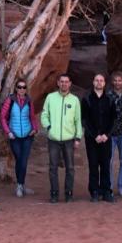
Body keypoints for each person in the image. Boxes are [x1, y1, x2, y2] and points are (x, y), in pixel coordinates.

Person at [41, 73, 82, 203]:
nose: (64, 84)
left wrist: (78, 137)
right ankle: (54, 193)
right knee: (53, 167)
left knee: (70, 167)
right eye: (61, 81)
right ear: (58, 83)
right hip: (53, 139)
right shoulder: (50, 97)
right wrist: (49, 128)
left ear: (70, 84)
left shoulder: (74, 100)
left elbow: (77, 120)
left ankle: (68, 193)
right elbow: (44, 115)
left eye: (66, 81)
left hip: (69, 139)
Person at [0, 77, 39, 197]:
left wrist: (35, 129)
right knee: (19, 160)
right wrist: (8, 132)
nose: (22, 89)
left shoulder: (29, 100)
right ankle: (20, 184)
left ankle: (20, 185)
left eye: (24, 87)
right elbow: (2, 117)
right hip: (14, 136)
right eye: (19, 87)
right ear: (16, 88)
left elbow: (32, 117)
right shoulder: (10, 100)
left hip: (27, 135)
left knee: (24, 161)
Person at [81, 73, 116, 202]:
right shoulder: (87, 99)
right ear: (93, 82)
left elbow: (113, 119)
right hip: (92, 139)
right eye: (97, 80)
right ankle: (94, 191)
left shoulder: (110, 99)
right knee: (93, 165)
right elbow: (84, 119)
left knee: (106, 165)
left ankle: (106, 191)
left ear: (105, 83)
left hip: (106, 138)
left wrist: (107, 134)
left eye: (101, 80)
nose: (99, 82)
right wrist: (95, 135)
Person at [107, 71, 122, 197]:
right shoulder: (108, 95)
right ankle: (109, 187)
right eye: (115, 80)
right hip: (110, 134)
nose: (117, 82)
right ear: (112, 82)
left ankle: (121, 187)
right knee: (109, 161)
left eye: (120, 80)